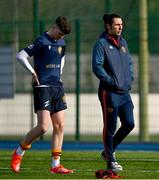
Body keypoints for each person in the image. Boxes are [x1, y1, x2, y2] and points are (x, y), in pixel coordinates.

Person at [11, 16, 74, 174]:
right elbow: (20, 56)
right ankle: (19, 152)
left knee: (60, 126)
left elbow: (62, 57)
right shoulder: (41, 41)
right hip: (43, 87)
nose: (61, 37)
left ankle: (55, 165)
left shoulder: (61, 41)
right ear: (54, 27)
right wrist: (32, 72)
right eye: (59, 33)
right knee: (43, 127)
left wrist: (59, 73)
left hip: (57, 87)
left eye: (63, 36)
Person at [92, 13, 135, 172]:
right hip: (109, 93)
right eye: (117, 24)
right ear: (108, 26)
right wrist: (111, 81)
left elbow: (129, 63)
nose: (120, 27)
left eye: (121, 24)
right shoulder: (101, 44)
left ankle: (107, 152)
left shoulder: (123, 42)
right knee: (110, 127)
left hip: (124, 92)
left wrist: (129, 78)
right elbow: (97, 67)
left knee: (129, 123)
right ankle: (111, 160)